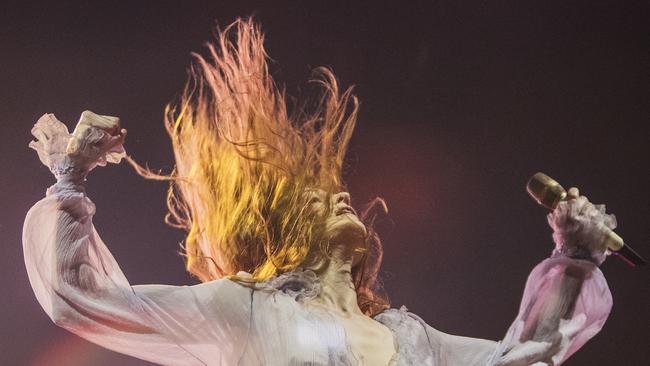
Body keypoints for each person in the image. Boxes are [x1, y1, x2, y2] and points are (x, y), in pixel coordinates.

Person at [24, 19, 614, 366]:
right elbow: (85, 297)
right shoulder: (246, 308)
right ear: (278, 229)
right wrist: (70, 179)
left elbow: (524, 360)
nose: (338, 198)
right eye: (312, 197)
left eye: (336, 193)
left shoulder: (410, 340)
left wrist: (575, 257)